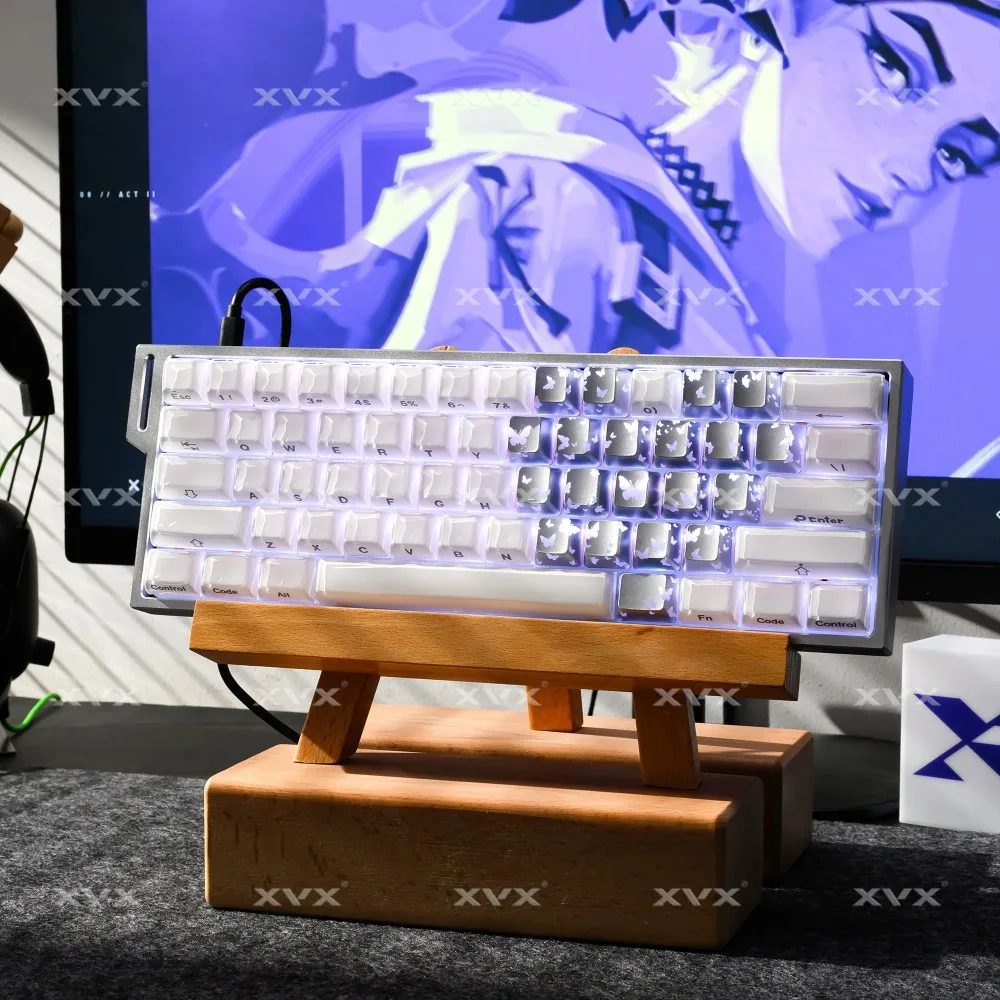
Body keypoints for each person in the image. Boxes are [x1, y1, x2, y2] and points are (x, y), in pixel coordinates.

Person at [200, 0, 1000, 359]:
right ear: (782, 15)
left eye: (959, 154)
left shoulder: (721, 301)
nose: (909, 165)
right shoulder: (552, 199)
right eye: (896, 67)